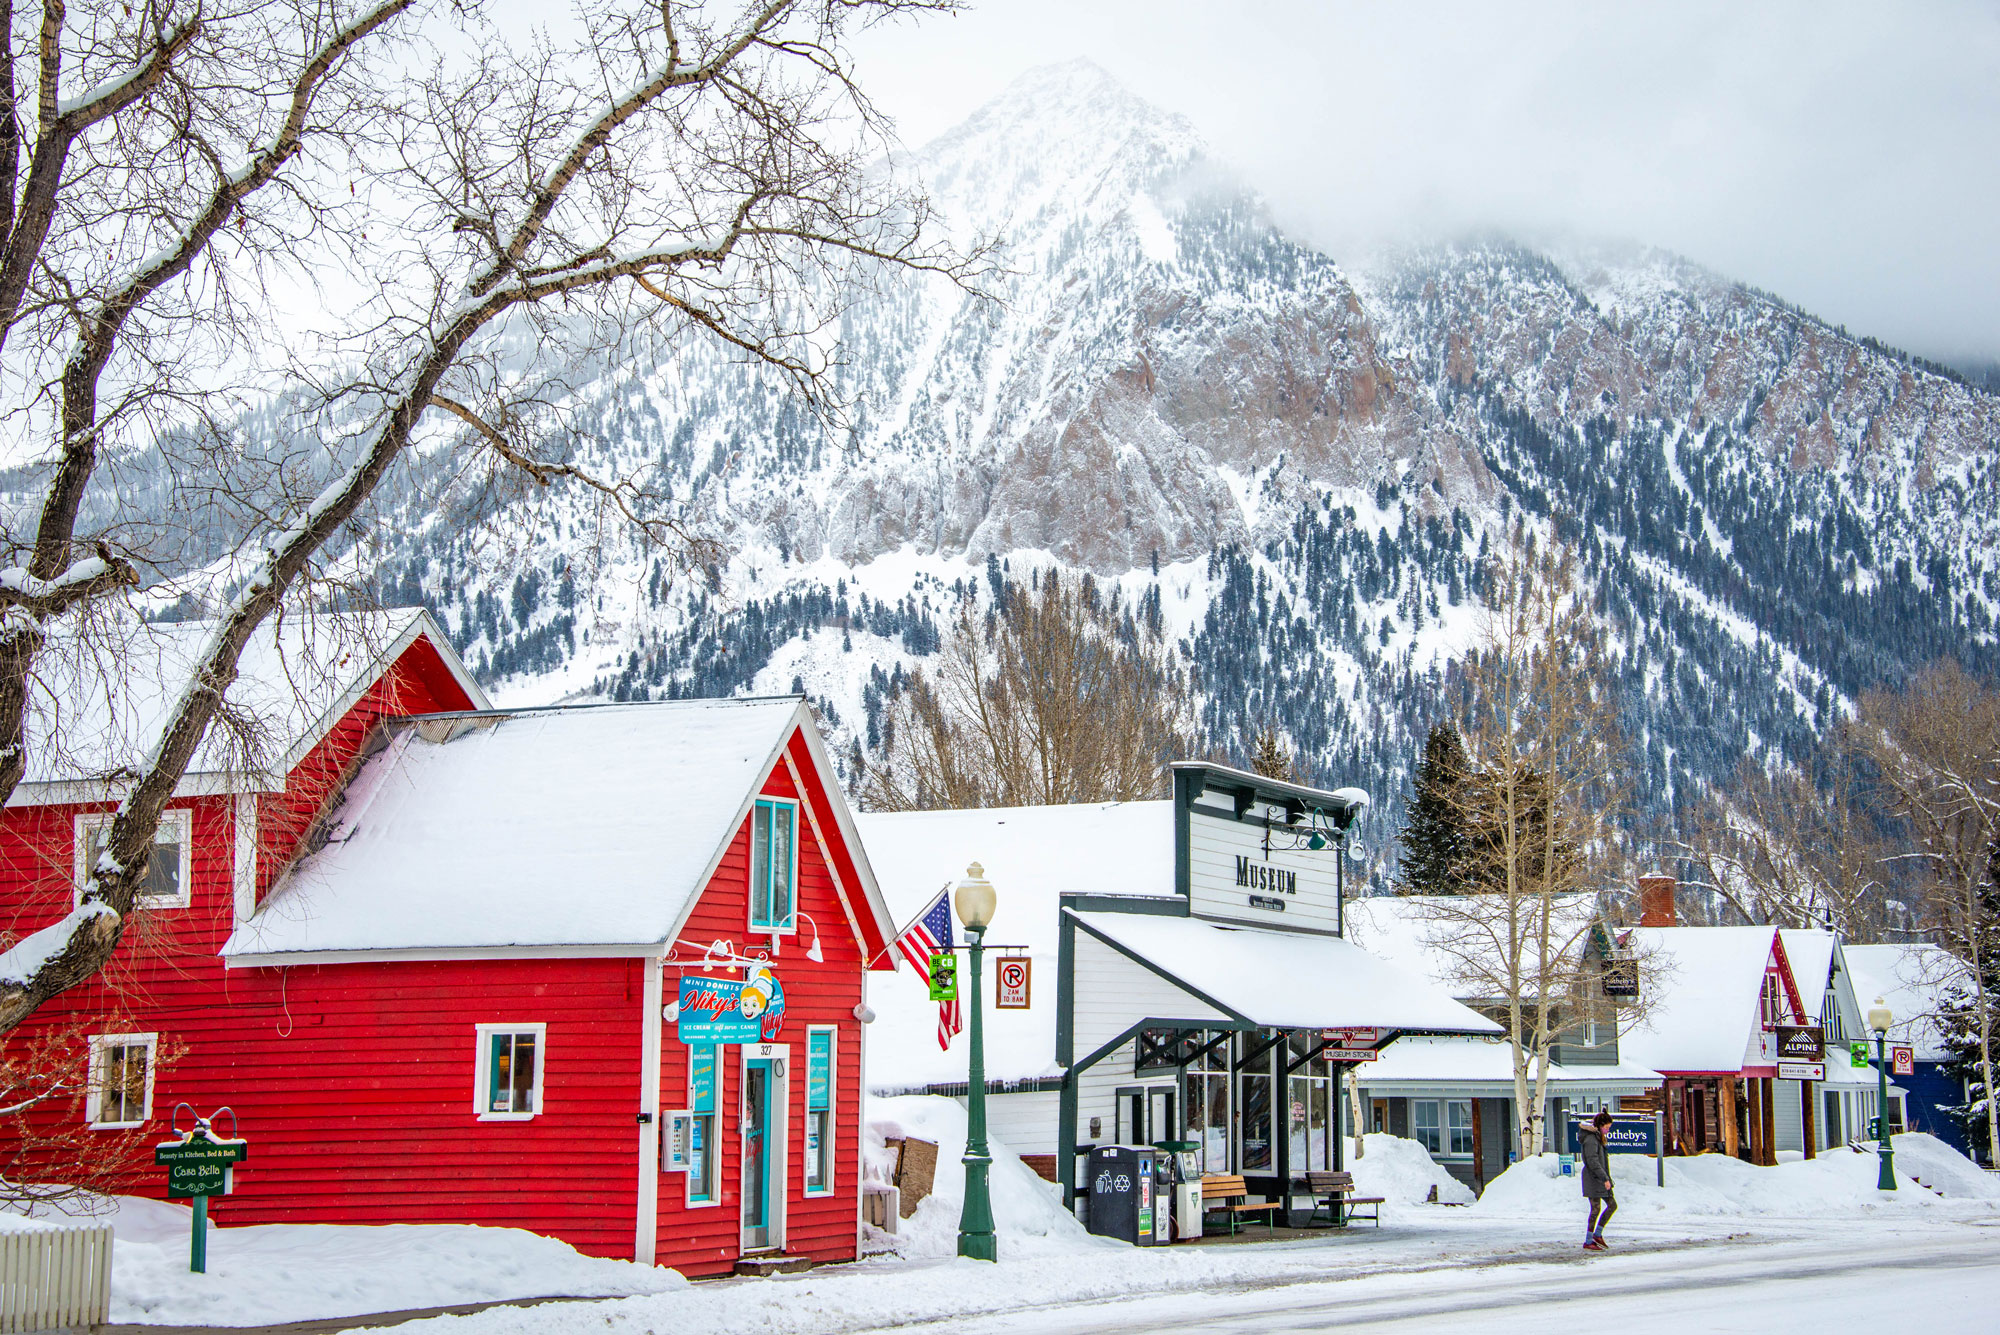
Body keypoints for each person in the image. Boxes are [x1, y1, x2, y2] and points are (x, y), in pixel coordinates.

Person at [1578, 1109, 1616, 1250]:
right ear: (1600, 1126)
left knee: (1612, 1205)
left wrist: (1606, 1178)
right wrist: (1604, 1178)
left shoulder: (1598, 1138)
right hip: (1593, 1178)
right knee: (1595, 1209)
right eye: (1607, 1127)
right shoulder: (1591, 1139)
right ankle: (1589, 1241)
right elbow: (1593, 1161)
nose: (1608, 1130)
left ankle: (1597, 1234)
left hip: (1600, 1178)